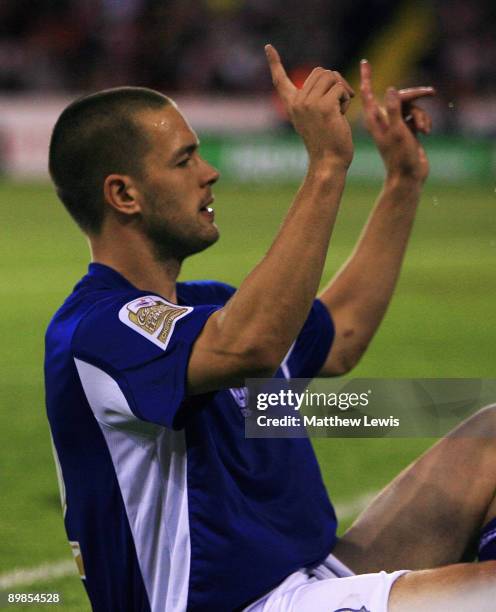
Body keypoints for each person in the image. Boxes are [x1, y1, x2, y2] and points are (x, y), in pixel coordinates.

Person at [44, 44, 496, 612]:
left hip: (309, 579)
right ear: (124, 194)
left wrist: (402, 180)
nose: (210, 173)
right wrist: (327, 165)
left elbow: (344, 332)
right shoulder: (98, 331)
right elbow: (250, 345)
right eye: (184, 161)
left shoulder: (208, 309)